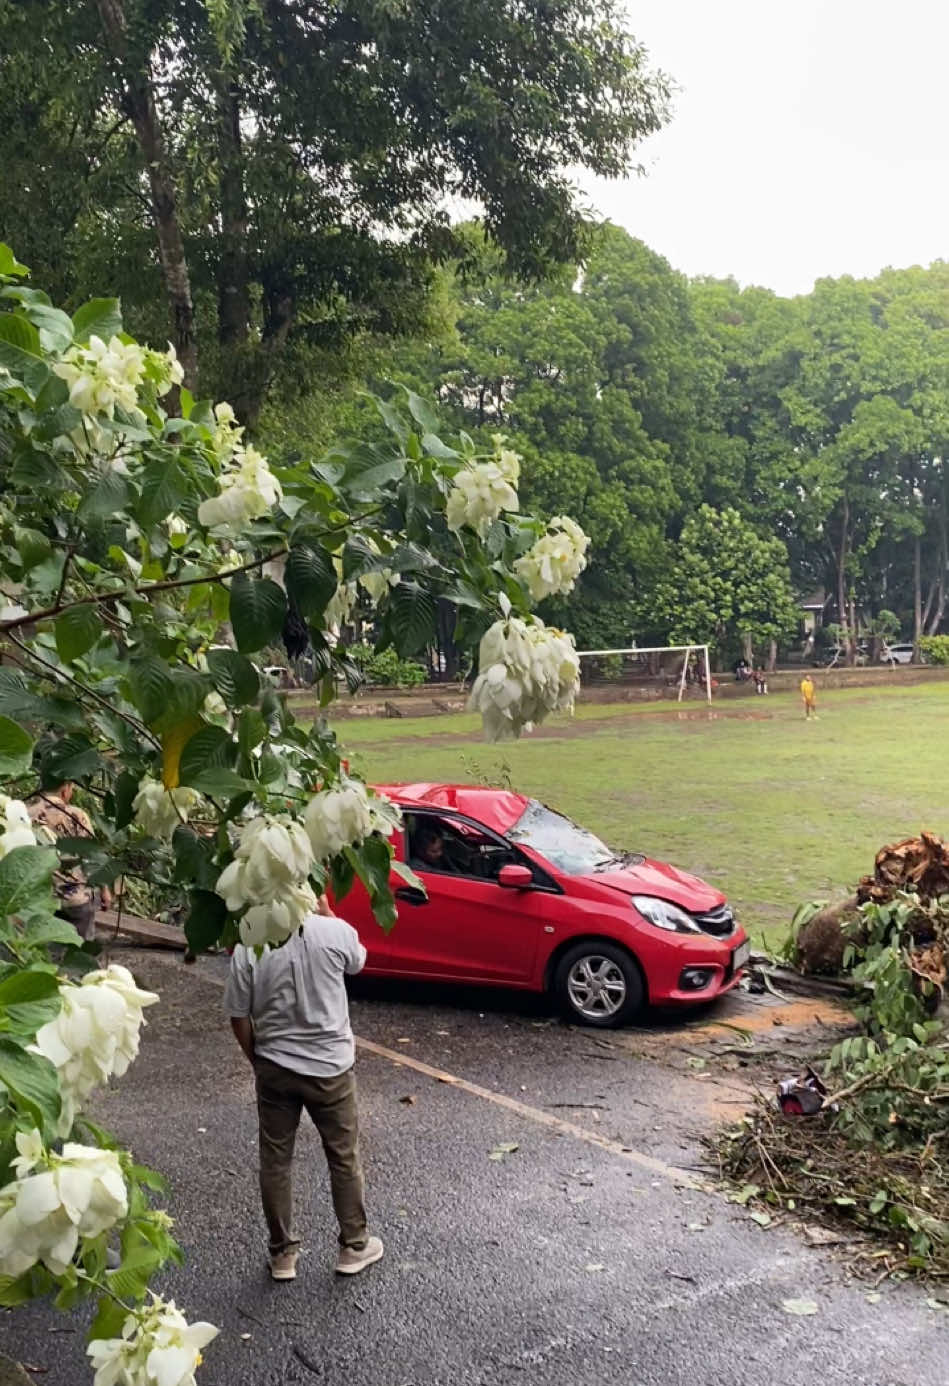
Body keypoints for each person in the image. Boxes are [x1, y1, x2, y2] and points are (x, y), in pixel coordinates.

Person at [224, 894, 383, 1281]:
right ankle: (353, 1245)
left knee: (276, 1161)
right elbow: (358, 961)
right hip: (332, 1068)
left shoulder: (249, 944)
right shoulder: (335, 932)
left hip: (275, 1066)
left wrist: (258, 1061)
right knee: (343, 1155)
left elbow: (238, 1015)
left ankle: (282, 1255)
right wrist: (329, 915)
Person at [27, 783, 111, 940]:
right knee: (79, 950)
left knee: (43, 952)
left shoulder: (25, 815)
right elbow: (93, 856)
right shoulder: (76, 815)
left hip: (39, 898)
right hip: (76, 899)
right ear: (65, 790)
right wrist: (105, 890)